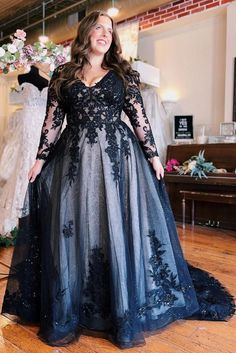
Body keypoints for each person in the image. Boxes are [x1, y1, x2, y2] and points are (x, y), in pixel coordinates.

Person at [2, 11, 234, 349]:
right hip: (74, 159)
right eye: (98, 27)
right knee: (76, 224)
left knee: (114, 224)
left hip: (117, 161)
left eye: (109, 30)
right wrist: (39, 159)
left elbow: (139, 118)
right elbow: (52, 123)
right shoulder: (63, 75)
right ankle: (75, 299)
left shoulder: (123, 74)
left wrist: (154, 156)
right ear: (85, 34)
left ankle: (118, 303)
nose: (104, 34)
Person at [0, 64, 49, 236]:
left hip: (43, 125)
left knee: (41, 162)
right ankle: (20, 214)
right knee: (26, 159)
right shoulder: (23, 77)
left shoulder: (48, 79)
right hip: (29, 122)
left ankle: (40, 213)